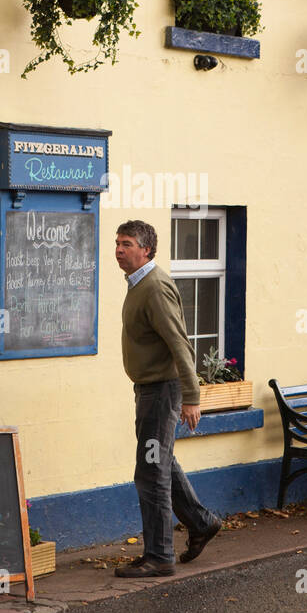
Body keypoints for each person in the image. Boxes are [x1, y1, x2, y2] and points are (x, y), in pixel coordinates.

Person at [114, 220, 221, 577]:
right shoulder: (140, 284)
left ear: (145, 249)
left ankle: (159, 556)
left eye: (127, 244)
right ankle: (201, 522)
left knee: (150, 473)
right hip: (151, 391)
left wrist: (192, 396)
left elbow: (179, 343)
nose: (119, 250)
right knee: (162, 463)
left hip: (162, 392)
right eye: (118, 243)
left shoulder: (155, 287)